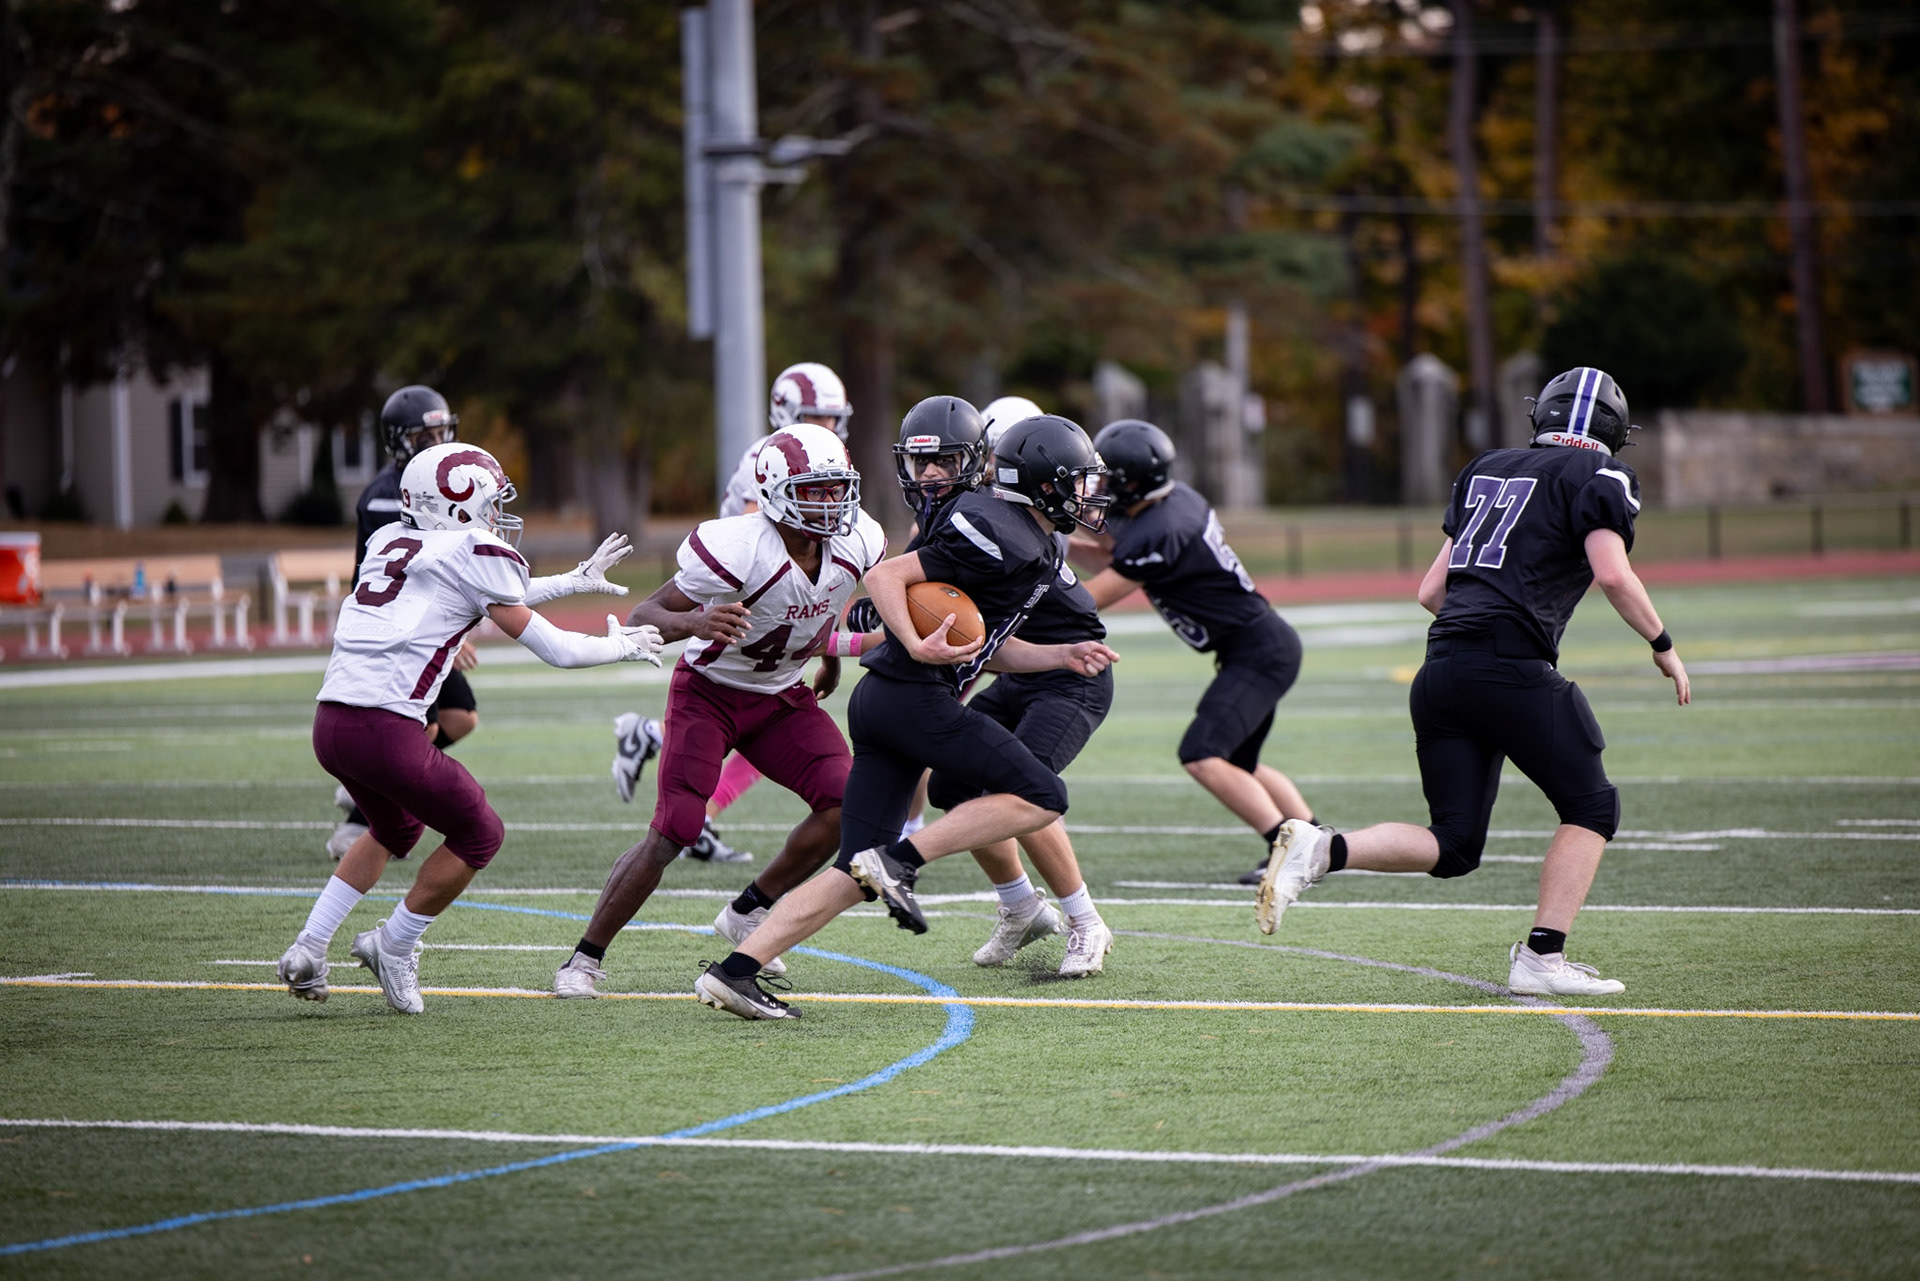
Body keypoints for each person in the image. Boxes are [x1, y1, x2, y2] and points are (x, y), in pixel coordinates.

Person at [1256, 366, 1690, 997]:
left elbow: (1432, 590)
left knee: (1455, 845)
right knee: (1592, 807)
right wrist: (1663, 645)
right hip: (1508, 667)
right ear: (1616, 433)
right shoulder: (1601, 476)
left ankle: (1324, 850)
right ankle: (1542, 960)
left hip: (1440, 671)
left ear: (1539, 415)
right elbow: (1614, 575)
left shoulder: (1488, 466)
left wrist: (1480, 635)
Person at [693, 409, 1119, 1020]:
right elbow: (886, 574)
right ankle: (903, 861)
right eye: (1076, 480)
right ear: (1045, 482)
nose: (1086, 493)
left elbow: (985, 642)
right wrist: (916, 645)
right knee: (1042, 794)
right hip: (913, 700)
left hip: (886, 703)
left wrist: (1061, 653)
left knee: (851, 872)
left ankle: (734, 973)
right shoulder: (995, 527)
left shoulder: (1034, 539)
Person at [276, 443, 663, 1014]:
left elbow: (477, 594)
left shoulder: (392, 542)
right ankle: (395, 944)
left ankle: (309, 947)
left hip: (331, 724)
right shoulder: (468, 549)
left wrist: (572, 580)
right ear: (456, 508)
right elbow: (552, 646)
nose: (495, 515)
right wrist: (620, 646)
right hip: (387, 729)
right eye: (488, 502)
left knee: (395, 827)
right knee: (480, 832)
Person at [554, 424, 886, 998]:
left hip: (782, 695)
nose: (831, 504)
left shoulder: (858, 542)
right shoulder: (739, 546)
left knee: (845, 802)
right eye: (815, 491)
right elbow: (643, 615)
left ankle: (747, 912)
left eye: (836, 489)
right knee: (675, 830)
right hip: (709, 692)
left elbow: (824, 601)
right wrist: (692, 623)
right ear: (777, 492)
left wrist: (828, 659)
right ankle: (584, 959)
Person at [608, 361, 857, 863]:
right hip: (740, 592)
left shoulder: (824, 465)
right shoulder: (769, 461)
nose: (827, 427)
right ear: (786, 411)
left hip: (773, 600)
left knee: (763, 711)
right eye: (815, 416)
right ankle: (693, 811)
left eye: (833, 417)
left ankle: (661, 756)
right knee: (742, 698)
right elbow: (773, 542)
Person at [1076, 419, 1318, 882]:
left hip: (1258, 649)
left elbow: (1090, 598)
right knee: (1235, 762)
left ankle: (1287, 849)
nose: (1101, 484)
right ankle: (1312, 837)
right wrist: (1060, 542)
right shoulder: (1174, 501)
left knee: (1202, 753)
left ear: (1132, 480)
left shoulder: (1159, 530)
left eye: (1108, 476)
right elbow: (1114, 553)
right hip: (1261, 643)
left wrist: (1040, 567)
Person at [934, 398, 1118, 976]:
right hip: (1020, 669)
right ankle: (1019, 907)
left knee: (1024, 789)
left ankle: (1086, 921)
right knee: (956, 784)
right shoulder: (986, 514)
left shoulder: (1001, 520)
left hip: (1068, 675)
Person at [328, 386, 475, 860]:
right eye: (424, 435)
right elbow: (418, 573)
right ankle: (359, 821)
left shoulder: (435, 483)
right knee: (423, 729)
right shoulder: (388, 498)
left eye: (441, 431)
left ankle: (365, 788)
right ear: (398, 442)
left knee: (460, 717)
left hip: (426, 627)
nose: (437, 442)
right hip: (397, 631)